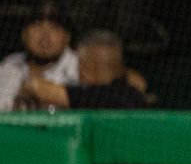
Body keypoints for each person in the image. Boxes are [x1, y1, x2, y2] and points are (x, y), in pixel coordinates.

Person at [15, 29, 149, 109]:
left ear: (86, 68)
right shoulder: (131, 90)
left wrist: (29, 86)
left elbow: (43, 90)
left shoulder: (114, 97)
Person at [0, 6, 79, 110]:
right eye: (37, 26)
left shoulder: (81, 68)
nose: (45, 35)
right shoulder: (7, 66)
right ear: (24, 34)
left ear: (67, 37)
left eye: (55, 27)